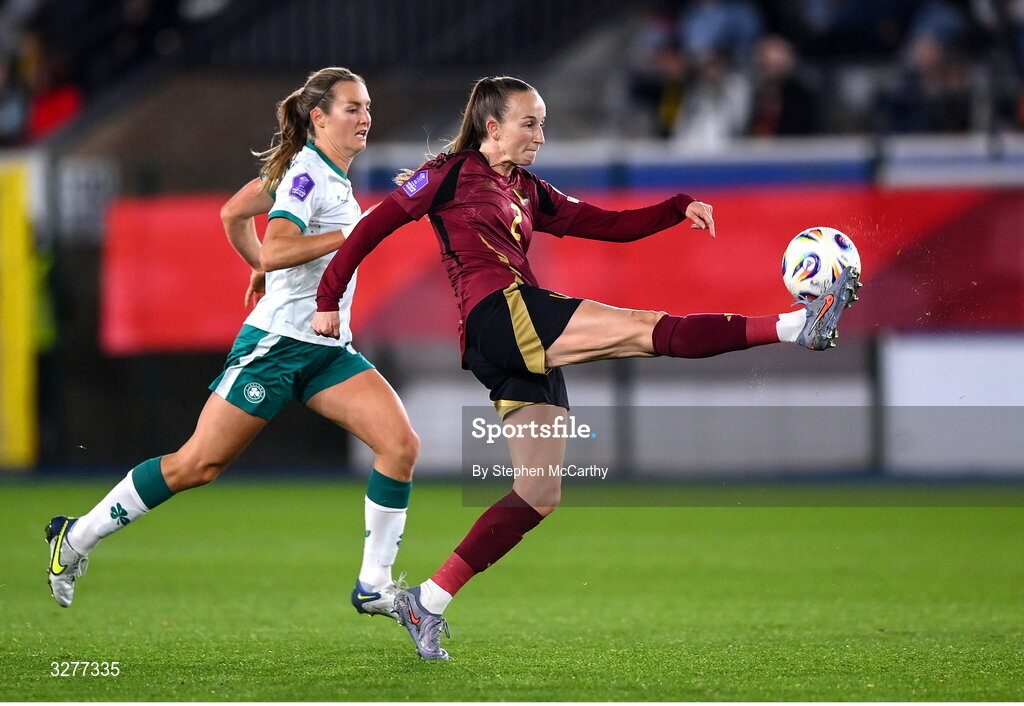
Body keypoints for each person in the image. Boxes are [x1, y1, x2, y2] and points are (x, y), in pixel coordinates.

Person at [312, 76, 861, 660]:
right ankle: (794, 326)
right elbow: (372, 227)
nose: (540, 136)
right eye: (530, 124)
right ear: (493, 127)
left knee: (539, 493)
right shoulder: (448, 174)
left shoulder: (529, 189)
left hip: (519, 336)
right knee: (644, 330)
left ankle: (429, 599)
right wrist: (327, 298)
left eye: (544, 124)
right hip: (500, 314)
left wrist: (677, 206)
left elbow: (610, 225)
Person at [46, 67, 420, 622]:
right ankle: (76, 537)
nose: (365, 117)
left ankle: (373, 584)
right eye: (351, 108)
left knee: (400, 446)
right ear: (318, 117)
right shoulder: (308, 176)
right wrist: (342, 237)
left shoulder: (320, 170)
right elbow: (278, 246)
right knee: (197, 464)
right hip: (276, 347)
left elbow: (233, 215)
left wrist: (262, 269)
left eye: (367, 106)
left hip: (327, 347)